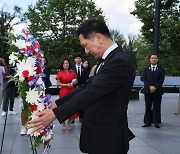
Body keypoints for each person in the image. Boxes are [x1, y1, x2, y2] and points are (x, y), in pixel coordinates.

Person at [29, 18, 135, 154]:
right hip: (100, 135)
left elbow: (91, 92)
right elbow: (87, 85)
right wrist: (59, 103)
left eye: (86, 45)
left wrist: (55, 114)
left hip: (108, 138)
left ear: (99, 38)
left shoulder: (119, 61)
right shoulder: (108, 60)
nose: (86, 51)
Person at [141, 54, 165, 128]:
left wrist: (155, 87)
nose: (153, 59)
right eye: (152, 58)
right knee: (148, 106)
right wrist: (149, 87)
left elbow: (161, 80)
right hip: (148, 91)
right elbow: (143, 79)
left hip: (157, 91)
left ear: (157, 59)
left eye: (155, 58)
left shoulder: (161, 69)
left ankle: (156, 122)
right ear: (150, 59)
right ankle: (147, 122)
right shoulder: (146, 69)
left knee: (157, 106)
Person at [56, 58, 78, 130]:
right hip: (64, 91)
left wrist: (74, 82)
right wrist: (66, 85)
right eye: (64, 63)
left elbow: (76, 80)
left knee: (72, 106)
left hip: (72, 90)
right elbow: (58, 83)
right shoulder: (60, 73)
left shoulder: (72, 72)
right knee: (63, 107)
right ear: (62, 65)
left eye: (67, 63)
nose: (66, 65)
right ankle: (63, 123)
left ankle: (69, 122)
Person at [72, 55, 89, 122]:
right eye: (77, 58)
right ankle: (72, 118)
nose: (78, 59)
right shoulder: (72, 69)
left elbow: (86, 79)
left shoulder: (84, 69)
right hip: (73, 88)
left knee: (81, 102)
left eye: (79, 58)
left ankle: (81, 116)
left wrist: (82, 86)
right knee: (73, 102)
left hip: (82, 88)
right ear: (74, 60)